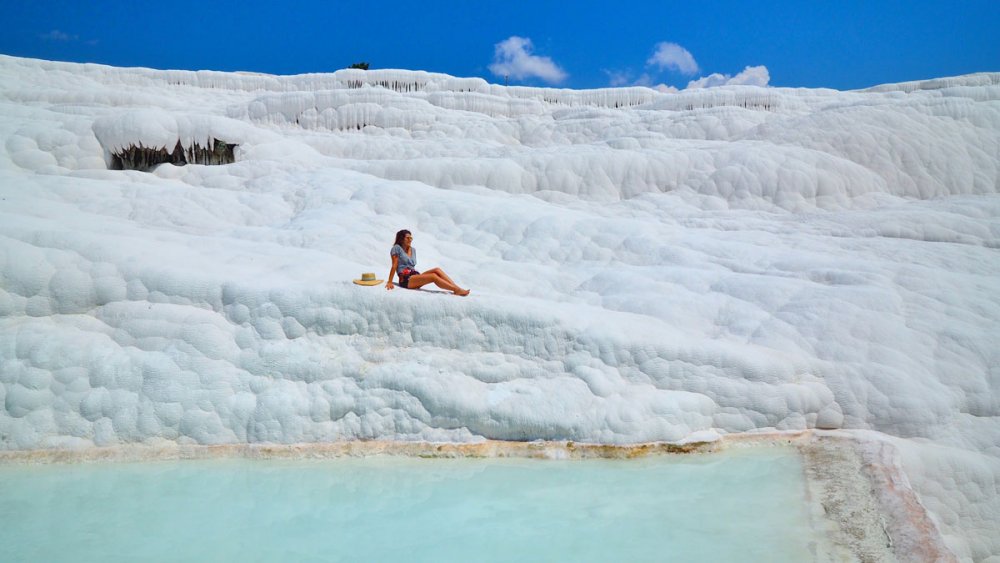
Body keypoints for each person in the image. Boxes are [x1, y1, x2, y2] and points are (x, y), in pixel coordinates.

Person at [385, 229, 470, 296]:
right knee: (433, 276)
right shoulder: (396, 248)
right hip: (405, 280)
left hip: (414, 276)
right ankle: (456, 290)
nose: (410, 239)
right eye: (407, 238)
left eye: (411, 238)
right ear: (401, 239)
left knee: (437, 270)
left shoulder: (413, 250)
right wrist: (390, 281)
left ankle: (457, 287)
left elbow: (412, 266)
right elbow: (394, 265)